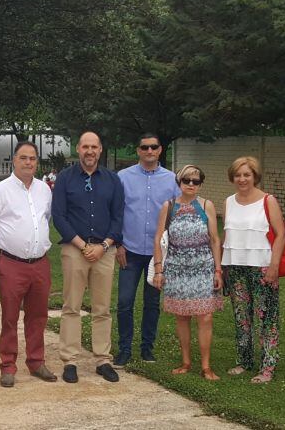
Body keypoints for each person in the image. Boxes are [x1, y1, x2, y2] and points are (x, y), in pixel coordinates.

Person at [0, 141, 58, 388]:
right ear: (14, 160)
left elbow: (45, 218)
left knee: (38, 316)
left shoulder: (44, 190)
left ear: (37, 162)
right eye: (23, 158)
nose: (28, 162)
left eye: (32, 158)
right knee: (10, 317)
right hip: (12, 264)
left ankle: (36, 362)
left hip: (40, 264)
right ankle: (8, 365)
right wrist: (8, 243)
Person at [53, 131, 124, 383]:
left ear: (100, 150)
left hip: (105, 250)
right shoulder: (65, 178)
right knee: (71, 306)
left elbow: (118, 217)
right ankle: (70, 360)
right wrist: (83, 246)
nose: (90, 151)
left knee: (102, 308)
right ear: (78, 149)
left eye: (94, 147)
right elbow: (59, 216)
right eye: (85, 146)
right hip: (75, 249)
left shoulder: (113, 180)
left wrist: (104, 245)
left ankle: (102, 360)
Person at [151, 165, 223, 381]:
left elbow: (214, 239)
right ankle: (186, 361)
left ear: (200, 184)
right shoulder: (169, 206)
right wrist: (158, 270)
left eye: (196, 181)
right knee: (182, 316)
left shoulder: (206, 205)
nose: (191, 184)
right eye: (186, 180)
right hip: (177, 269)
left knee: (205, 316)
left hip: (203, 267)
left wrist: (218, 270)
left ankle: (206, 366)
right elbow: (158, 238)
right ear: (179, 182)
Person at [114, 133, 179, 367]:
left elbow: (176, 215)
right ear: (138, 150)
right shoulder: (123, 177)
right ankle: (124, 349)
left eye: (154, 147)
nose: (149, 151)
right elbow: (116, 213)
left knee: (152, 303)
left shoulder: (172, 180)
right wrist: (118, 243)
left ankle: (147, 349)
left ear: (160, 150)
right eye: (145, 147)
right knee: (124, 302)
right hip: (129, 250)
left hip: (157, 254)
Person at [222, 157, 285, 383]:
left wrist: (274, 266)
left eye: (247, 174)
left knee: (266, 317)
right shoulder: (229, 201)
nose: (242, 179)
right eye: (238, 175)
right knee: (242, 317)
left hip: (262, 266)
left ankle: (267, 366)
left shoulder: (268, 201)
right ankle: (244, 360)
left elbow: (280, 234)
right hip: (236, 267)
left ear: (255, 176)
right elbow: (227, 235)